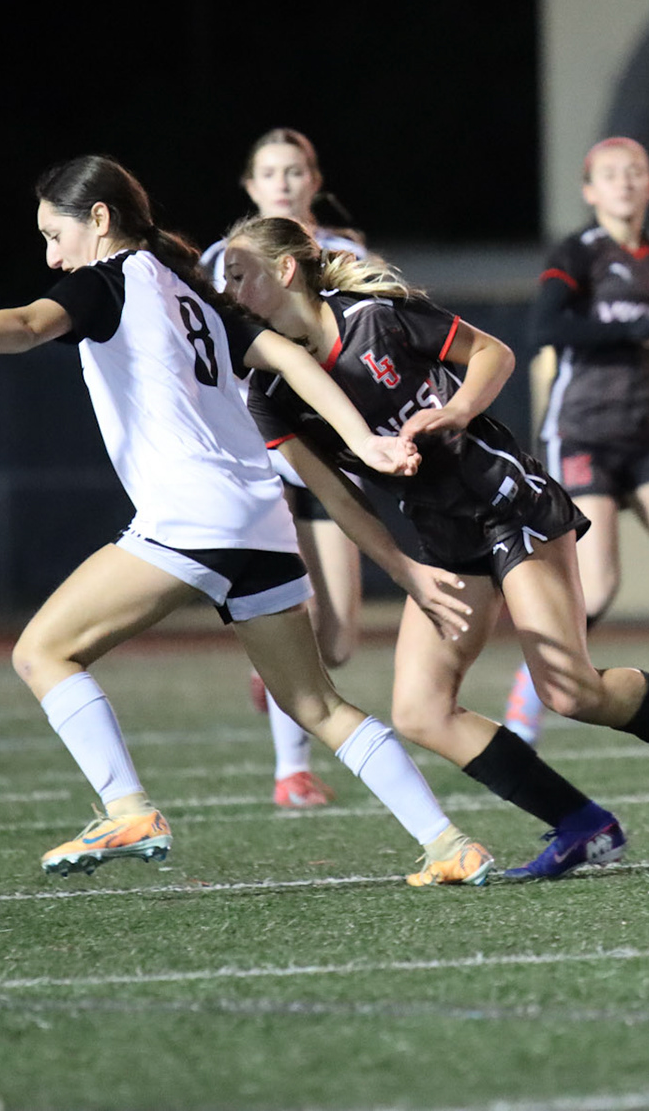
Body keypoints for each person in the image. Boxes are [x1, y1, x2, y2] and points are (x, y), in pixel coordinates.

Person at [0, 155, 493, 887]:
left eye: (54, 236)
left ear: (100, 219)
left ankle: (127, 808)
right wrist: (363, 441)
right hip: (261, 518)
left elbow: (27, 324)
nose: (52, 257)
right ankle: (449, 843)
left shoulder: (110, 278)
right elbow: (296, 362)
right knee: (317, 705)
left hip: (194, 514)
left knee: (42, 652)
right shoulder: (192, 290)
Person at [220, 215, 649, 880]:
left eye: (236, 276)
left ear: (285, 271)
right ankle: (582, 823)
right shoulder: (269, 393)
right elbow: (339, 500)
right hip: (440, 535)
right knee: (421, 710)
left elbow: (494, 354)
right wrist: (404, 572)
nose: (226, 293)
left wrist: (456, 412)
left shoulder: (375, 318)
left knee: (570, 692)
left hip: (504, 502)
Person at [504, 137, 649, 746]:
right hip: (584, 431)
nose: (624, 181)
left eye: (635, 171)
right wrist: (625, 328)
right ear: (590, 190)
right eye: (610, 174)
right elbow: (545, 327)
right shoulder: (578, 252)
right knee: (599, 584)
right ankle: (531, 685)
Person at [199, 128, 370, 810]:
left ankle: (270, 676)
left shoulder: (347, 253)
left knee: (341, 638)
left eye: (295, 170)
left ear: (314, 180)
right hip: (259, 446)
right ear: (251, 185)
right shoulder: (222, 260)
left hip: (328, 446)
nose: (284, 182)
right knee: (294, 609)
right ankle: (290, 770)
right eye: (270, 172)